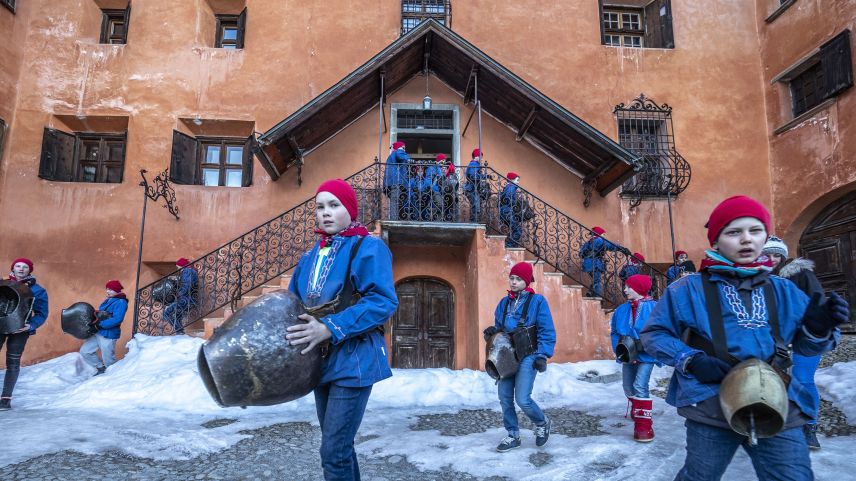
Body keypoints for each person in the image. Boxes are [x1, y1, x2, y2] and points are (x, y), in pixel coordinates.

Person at [640, 195, 849, 481]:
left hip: (777, 401)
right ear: (716, 241)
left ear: (765, 237)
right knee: (700, 476)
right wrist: (690, 359)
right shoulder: (687, 289)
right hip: (710, 403)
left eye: (755, 230)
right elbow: (654, 334)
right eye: (734, 232)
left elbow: (808, 346)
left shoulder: (784, 289)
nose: (746, 239)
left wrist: (818, 328)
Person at [286, 179, 397, 481]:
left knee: (333, 452)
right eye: (320, 206)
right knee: (339, 448)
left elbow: (382, 301)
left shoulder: (368, 247)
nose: (325, 212)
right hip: (319, 362)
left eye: (334, 205)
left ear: (349, 209)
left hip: (354, 360)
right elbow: (292, 305)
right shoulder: (309, 256)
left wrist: (330, 327)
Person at [482, 261, 556, 452]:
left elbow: (546, 329)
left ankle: (542, 422)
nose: (514, 282)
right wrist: (492, 332)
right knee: (505, 398)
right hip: (506, 356)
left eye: (518, 279)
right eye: (512, 278)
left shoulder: (537, 301)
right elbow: (500, 329)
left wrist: (543, 355)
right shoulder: (504, 302)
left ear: (527, 281)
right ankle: (513, 435)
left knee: (522, 398)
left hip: (529, 354)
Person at [763, 235, 825, 449]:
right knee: (773, 380)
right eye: (767, 255)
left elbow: (818, 302)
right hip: (775, 339)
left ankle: (810, 426)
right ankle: (779, 423)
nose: (772, 259)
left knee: (803, 379)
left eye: (776, 255)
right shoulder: (759, 280)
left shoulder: (801, 274)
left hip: (805, 336)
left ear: (783, 256)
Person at [611, 274, 659, 442]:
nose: (625, 290)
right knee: (627, 387)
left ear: (639, 288)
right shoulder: (621, 310)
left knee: (640, 385)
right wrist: (620, 349)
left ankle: (643, 427)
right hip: (627, 353)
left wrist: (651, 347)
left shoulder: (655, 308)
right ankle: (637, 407)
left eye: (628, 287)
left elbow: (661, 331)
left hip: (647, 354)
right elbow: (615, 332)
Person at [1, 258, 49, 411]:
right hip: (0, 326)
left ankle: (5, 400)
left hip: (20, 330)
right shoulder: (3, 283)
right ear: (13, 268)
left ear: (30, 270)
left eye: (25, 267)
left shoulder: (38, 290)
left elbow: (42, 313)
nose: (21, 269)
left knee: (13, 362)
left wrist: (31, 325)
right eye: (18, 266)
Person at [80, 280, 128, 376]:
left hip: (108, 334)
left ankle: (115, 377)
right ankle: (101, 368)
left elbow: (117, 319)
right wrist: (93, 321)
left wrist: (99, 324)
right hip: (98, 332)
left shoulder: (121, 302)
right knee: (85, 351)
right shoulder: (109, 300)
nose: (107, 291)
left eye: (110, 289)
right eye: (107, 289)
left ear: (117, 290)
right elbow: (102, 315)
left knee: (108, 360)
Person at [580, 227, 630, 298]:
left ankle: (590, 292)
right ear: (599, 234)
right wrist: (622, 248)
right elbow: (610, 245)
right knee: (597, 281)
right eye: (603, 234)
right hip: (595, 264)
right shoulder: (599, 240)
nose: (604, 236)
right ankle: (597, 297)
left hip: (587, 265)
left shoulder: (588, 242)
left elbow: (581, 254)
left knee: (595, 280)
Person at [163, 257, 199, 334]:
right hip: (187, 298)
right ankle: (180, 332)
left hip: (187, 299)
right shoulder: (189, 271)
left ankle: (179, 331)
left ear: (181, 265)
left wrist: (178, 293)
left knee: (167, 313)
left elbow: (187, 285)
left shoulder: (187, 271)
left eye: (178, 266)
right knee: (177, 315)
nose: (177, 268)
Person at [382, 141, 410, 221]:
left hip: (391, 181)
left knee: (396, 200)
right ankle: (394, 219)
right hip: (395, 181)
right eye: (403, 148)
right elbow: (402, 156)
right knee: (395, 200)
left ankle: (397, 218)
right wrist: (409, 160)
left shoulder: (392, 156)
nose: (404, 150)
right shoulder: (398, 152)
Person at [499, 172, 524, 248]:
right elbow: (508, 198)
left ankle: (511, 244)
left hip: (505, 211)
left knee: (515, 229)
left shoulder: (508, 187)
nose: (518, 182)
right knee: (518, 230)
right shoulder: (511, 187)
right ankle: (510, 245)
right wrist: (516, 205)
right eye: (517, 180)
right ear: (512, 180)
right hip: (507, 211)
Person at [464, 149, 488, 222]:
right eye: (481, 156)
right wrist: (481, 177)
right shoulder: (474, 164)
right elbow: (473, 176)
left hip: (473, 189)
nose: (482, 159)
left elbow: (476, 175)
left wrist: (486, 176)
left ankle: (474, 221)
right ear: (476, 156)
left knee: (476, 206)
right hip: (471, 189)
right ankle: (474, 222)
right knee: (476, 207)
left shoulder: (475, 164)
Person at [435, 153, 459, 222]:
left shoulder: (451, 175)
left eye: (445, 168)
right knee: (441, 206)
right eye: (442, 168)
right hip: (440, 195)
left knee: (452, 204)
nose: (444, 170)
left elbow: (456, 185)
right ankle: (441, 220)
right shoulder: (438, 175)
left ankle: (452, 219)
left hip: (450, 196)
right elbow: (435, 186)